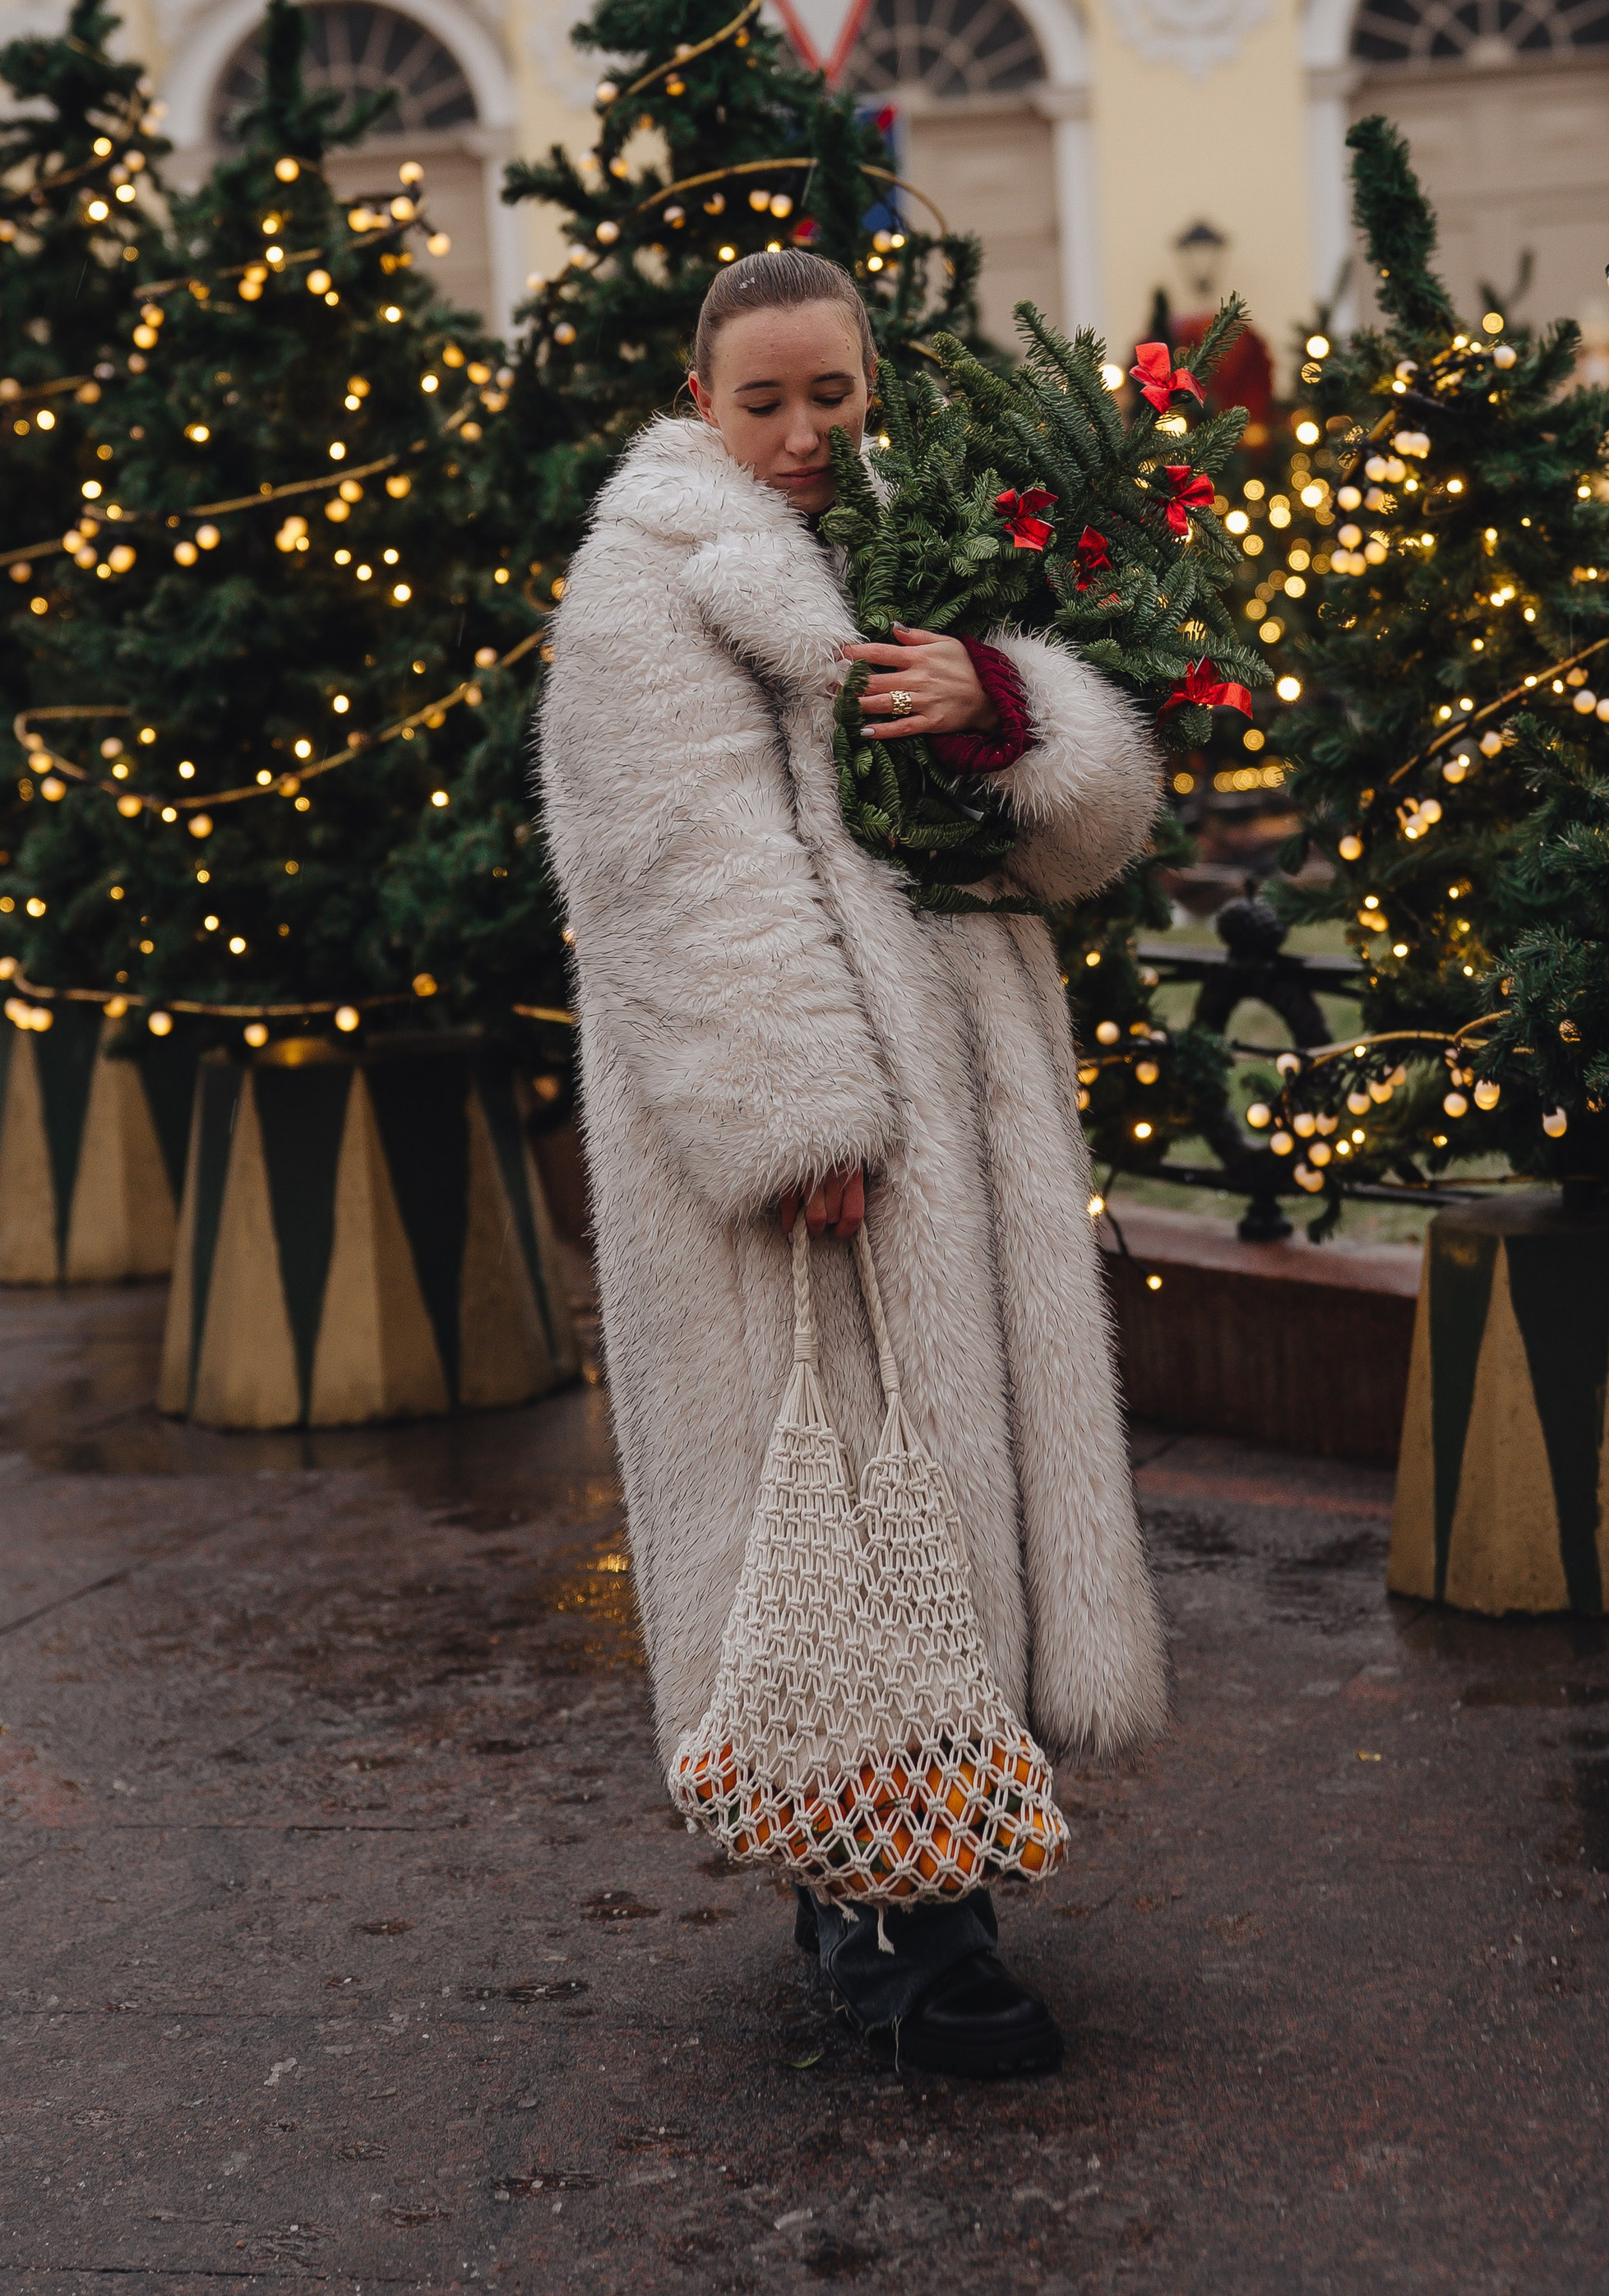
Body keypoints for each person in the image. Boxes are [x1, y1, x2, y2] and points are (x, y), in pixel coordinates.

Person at [539, 247, 1168, 2079]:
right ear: (701, 399)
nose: (804, 431)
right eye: (765, 401)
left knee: (937, 1493)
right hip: (812, 1124)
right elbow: (672, 867)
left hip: (962, 1095)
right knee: (851, 1509)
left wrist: (1006, 704)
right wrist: (795, 1116)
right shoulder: (646, 576)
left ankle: (910, 1877)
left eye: (832, 394)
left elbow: (1084, 835)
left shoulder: (923, 542)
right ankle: (895, 1927)